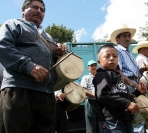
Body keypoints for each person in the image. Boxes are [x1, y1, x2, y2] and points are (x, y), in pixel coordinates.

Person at [0, 0, 68, 133]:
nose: (39, 11)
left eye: (42, 10)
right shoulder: (13, 24)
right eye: (35, 7)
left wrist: (58, 53)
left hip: (47, 95)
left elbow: (54, 64)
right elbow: (3, 47)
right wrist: (28, 66)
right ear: (23, 9)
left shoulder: (47, 36)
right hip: (19, 91)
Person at [93, 44, 146, 133]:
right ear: (99, 62)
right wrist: (127, 104)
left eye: (115, 56)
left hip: (125, 119)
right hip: (111, 121)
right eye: (107, 56)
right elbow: (102, 94)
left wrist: (138, 92)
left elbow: (126, 96)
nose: (112, 58)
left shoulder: (117, 76)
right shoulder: (102, 74)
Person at [109, 24, 145, 133]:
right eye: (124, 36)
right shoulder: (117, 51)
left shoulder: (129, 52)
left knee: (138, 116)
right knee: (135, 117)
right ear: (118, 39)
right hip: (127, 86)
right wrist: (133, 85)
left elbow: (133, 72)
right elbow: (117, 70)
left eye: (129, 36)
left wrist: (142, 71)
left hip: (134, 84)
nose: (128, 38)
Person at [80, 60, 99, 133]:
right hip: (91, 102)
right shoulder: (86, 77)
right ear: (88, 68)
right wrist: (95, 95)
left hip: (100, 102)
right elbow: (83, 90)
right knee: (91, 126)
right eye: (91, 66)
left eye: (95, 65)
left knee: (101, 124)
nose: (94, 67)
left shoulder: (100, 77)